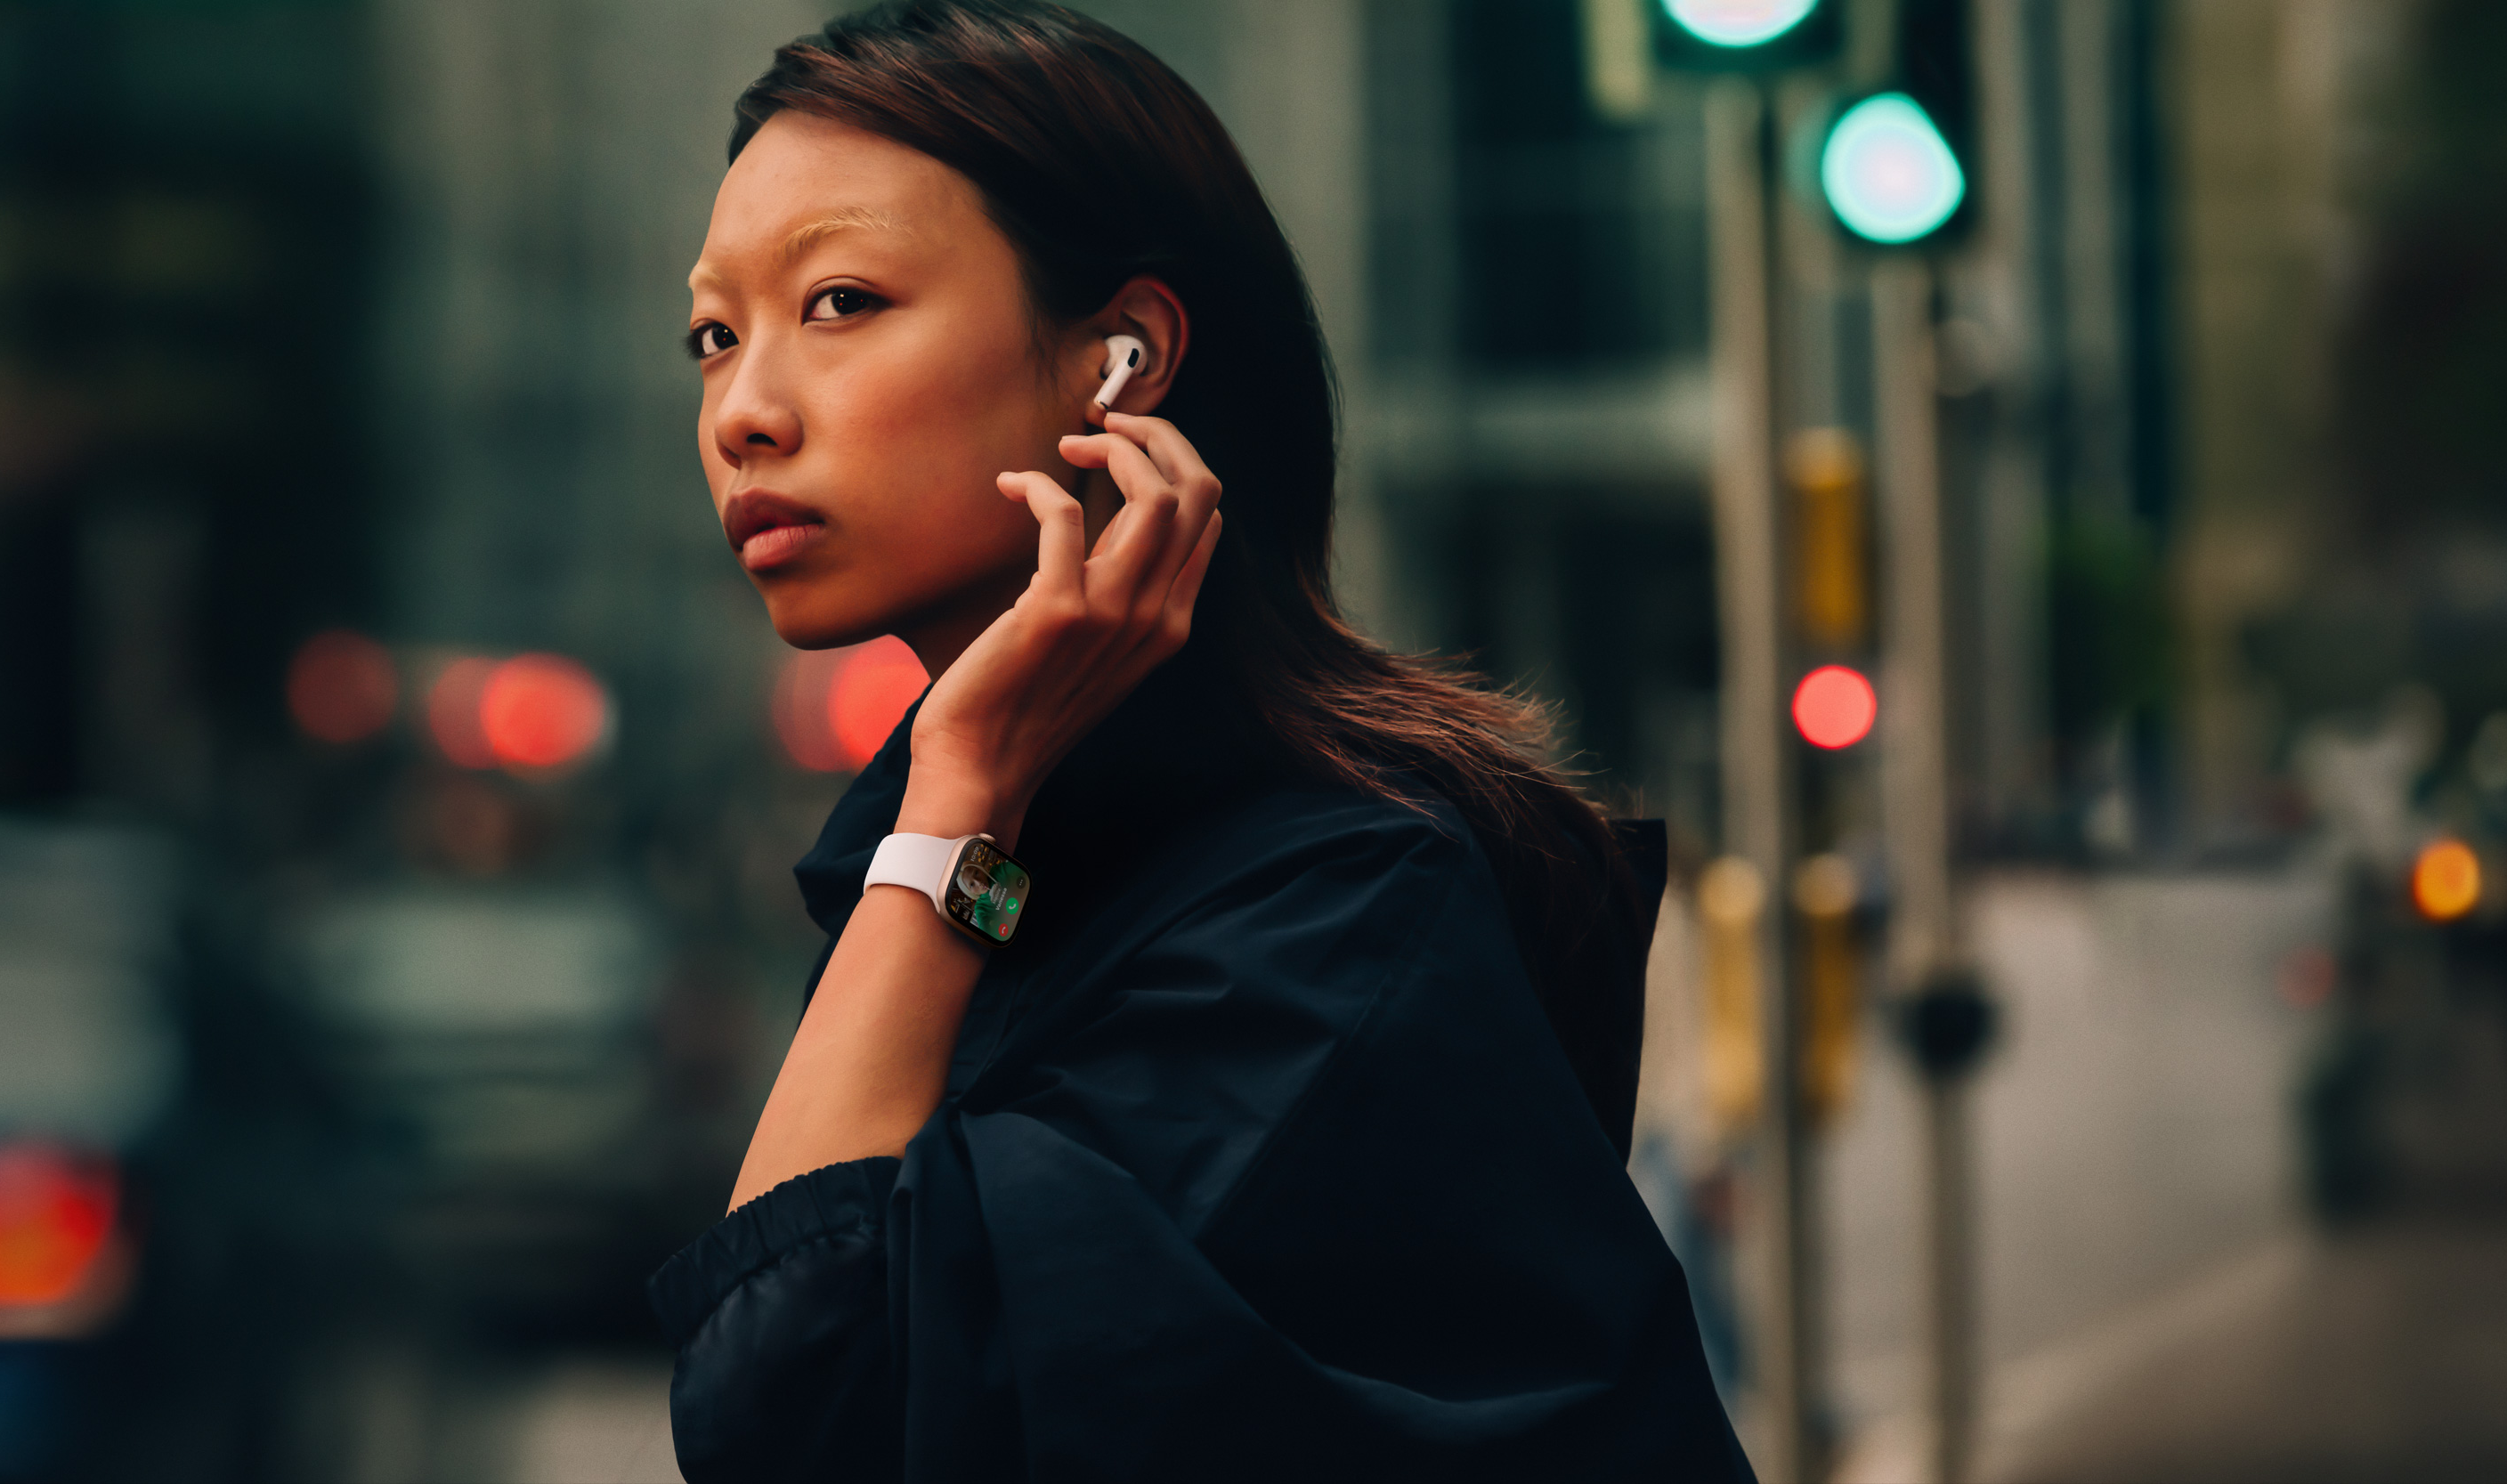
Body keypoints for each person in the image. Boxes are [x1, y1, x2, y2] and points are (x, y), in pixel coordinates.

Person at [646, 3, 1753, 1479]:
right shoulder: (1002, 856)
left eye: (839, 301)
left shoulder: (1333, 916)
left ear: (1121, 359)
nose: (743, 412)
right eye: (715, 335)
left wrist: (956, 801)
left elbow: (792, 1409)